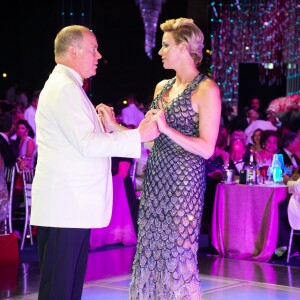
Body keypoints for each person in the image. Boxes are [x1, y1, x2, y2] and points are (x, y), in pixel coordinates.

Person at [30, 25, 159, 300]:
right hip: (66, 206)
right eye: (93, 49)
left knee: (66, 287)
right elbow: (87, 145)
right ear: (73, 51)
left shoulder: (69, 87)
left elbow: (79, 141)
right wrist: (139, 135)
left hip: (69, 206)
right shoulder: (64, 88)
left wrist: (107, 127)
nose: (98, 55)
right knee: (60, 290)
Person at [129, 18, 221, 299]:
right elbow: (150, 138)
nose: (160, 51)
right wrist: (114, 129)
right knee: (150, 252)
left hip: (184, 186)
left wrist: (168, 129)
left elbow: (207, 149)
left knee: (177, 255)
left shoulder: (207, 90)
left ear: (183, 47)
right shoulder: (162, 87)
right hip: (155, 180)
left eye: (166, 45)